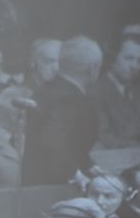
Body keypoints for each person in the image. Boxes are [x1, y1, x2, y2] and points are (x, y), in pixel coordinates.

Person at [22, 36, 103, 185]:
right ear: (93, 68)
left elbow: (69, 144)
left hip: (35, 183)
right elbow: (52, 140)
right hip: (54, 187)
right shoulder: (70, 98)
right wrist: (75, 173)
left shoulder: (45, 89)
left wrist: (88, 165)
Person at [93, 38, 140, 147]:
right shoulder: (98, 91)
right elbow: (104, 138)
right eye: (129, 58)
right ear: (113, 57)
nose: (134, 66)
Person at [27, 38, 61, 102]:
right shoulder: (14, 95)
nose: (56, 68)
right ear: (33, 62)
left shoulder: (64, 95)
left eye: (61, 63)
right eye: (49, 61)